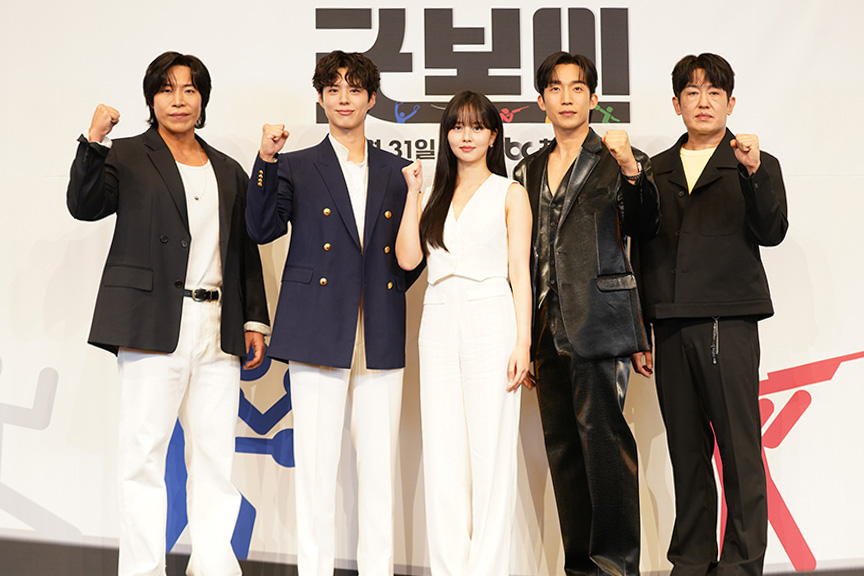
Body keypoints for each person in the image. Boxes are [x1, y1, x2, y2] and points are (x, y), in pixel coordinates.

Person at [66, 51, 270, 576]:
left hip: (217, 327)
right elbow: (84, 205)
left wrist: (254, 319)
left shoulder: (227, 169)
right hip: (151, 323)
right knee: (143, 458)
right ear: (151, 99)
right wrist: (94, 140)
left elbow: (244, 250)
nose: (178, 100)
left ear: (203, 100)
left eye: (189, 89)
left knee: (215, 460)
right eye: (166, 89)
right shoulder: (128, 155)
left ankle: (214, 566)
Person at [245, 51, 421, 576]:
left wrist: (383, 292)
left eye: (355, 88)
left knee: (379, 472)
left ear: (372, 98)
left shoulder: (396, 170)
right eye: (334, 88)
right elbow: (261, 229)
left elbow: (410, 257)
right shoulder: (296, 164)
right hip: (318, 327)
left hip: (379, 330)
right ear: (321, 98)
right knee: (316, 472)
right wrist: (265, 160)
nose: (344, 98)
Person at [631, 53, 788, 576]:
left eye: (714, 92)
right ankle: (693, 559)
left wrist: (754, 172)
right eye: (692, 93)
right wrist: (640, 328)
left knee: (739, 449)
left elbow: (771, 231)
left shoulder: (754, 162)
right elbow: (641, 250)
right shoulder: (655, 169)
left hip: (728, 318)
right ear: (676, 104)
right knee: (686, 450)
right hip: (669, 319)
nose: (703, 102)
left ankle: (742, 563)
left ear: (731, 103)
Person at [512, 51, 661, 576]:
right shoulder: (527, 169)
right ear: (541, 101)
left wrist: (631, 171)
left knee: (605, 447)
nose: (567, 98)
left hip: (601, 322)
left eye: (578, 88)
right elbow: (524, 255)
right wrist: (524, 337)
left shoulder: (621, 158)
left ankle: (617, 566)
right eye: (556, 88)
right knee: (563, 452)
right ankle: (580, 567)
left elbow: (645, 229)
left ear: (594, 99)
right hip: (545, 328)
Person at [395, 91, 533, 575]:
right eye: (457, 127)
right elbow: (408, 259)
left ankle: (488, 567)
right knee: (443, 449)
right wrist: (412, 193)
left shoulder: (510, 192)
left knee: (490, 450)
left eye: (477, 127)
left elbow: (520, 272)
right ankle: (449, 566)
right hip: (438, 316)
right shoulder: (433, 193)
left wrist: (523, 343)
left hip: (492, 315)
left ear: (494, 136)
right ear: (446, 135)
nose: (466, 136)